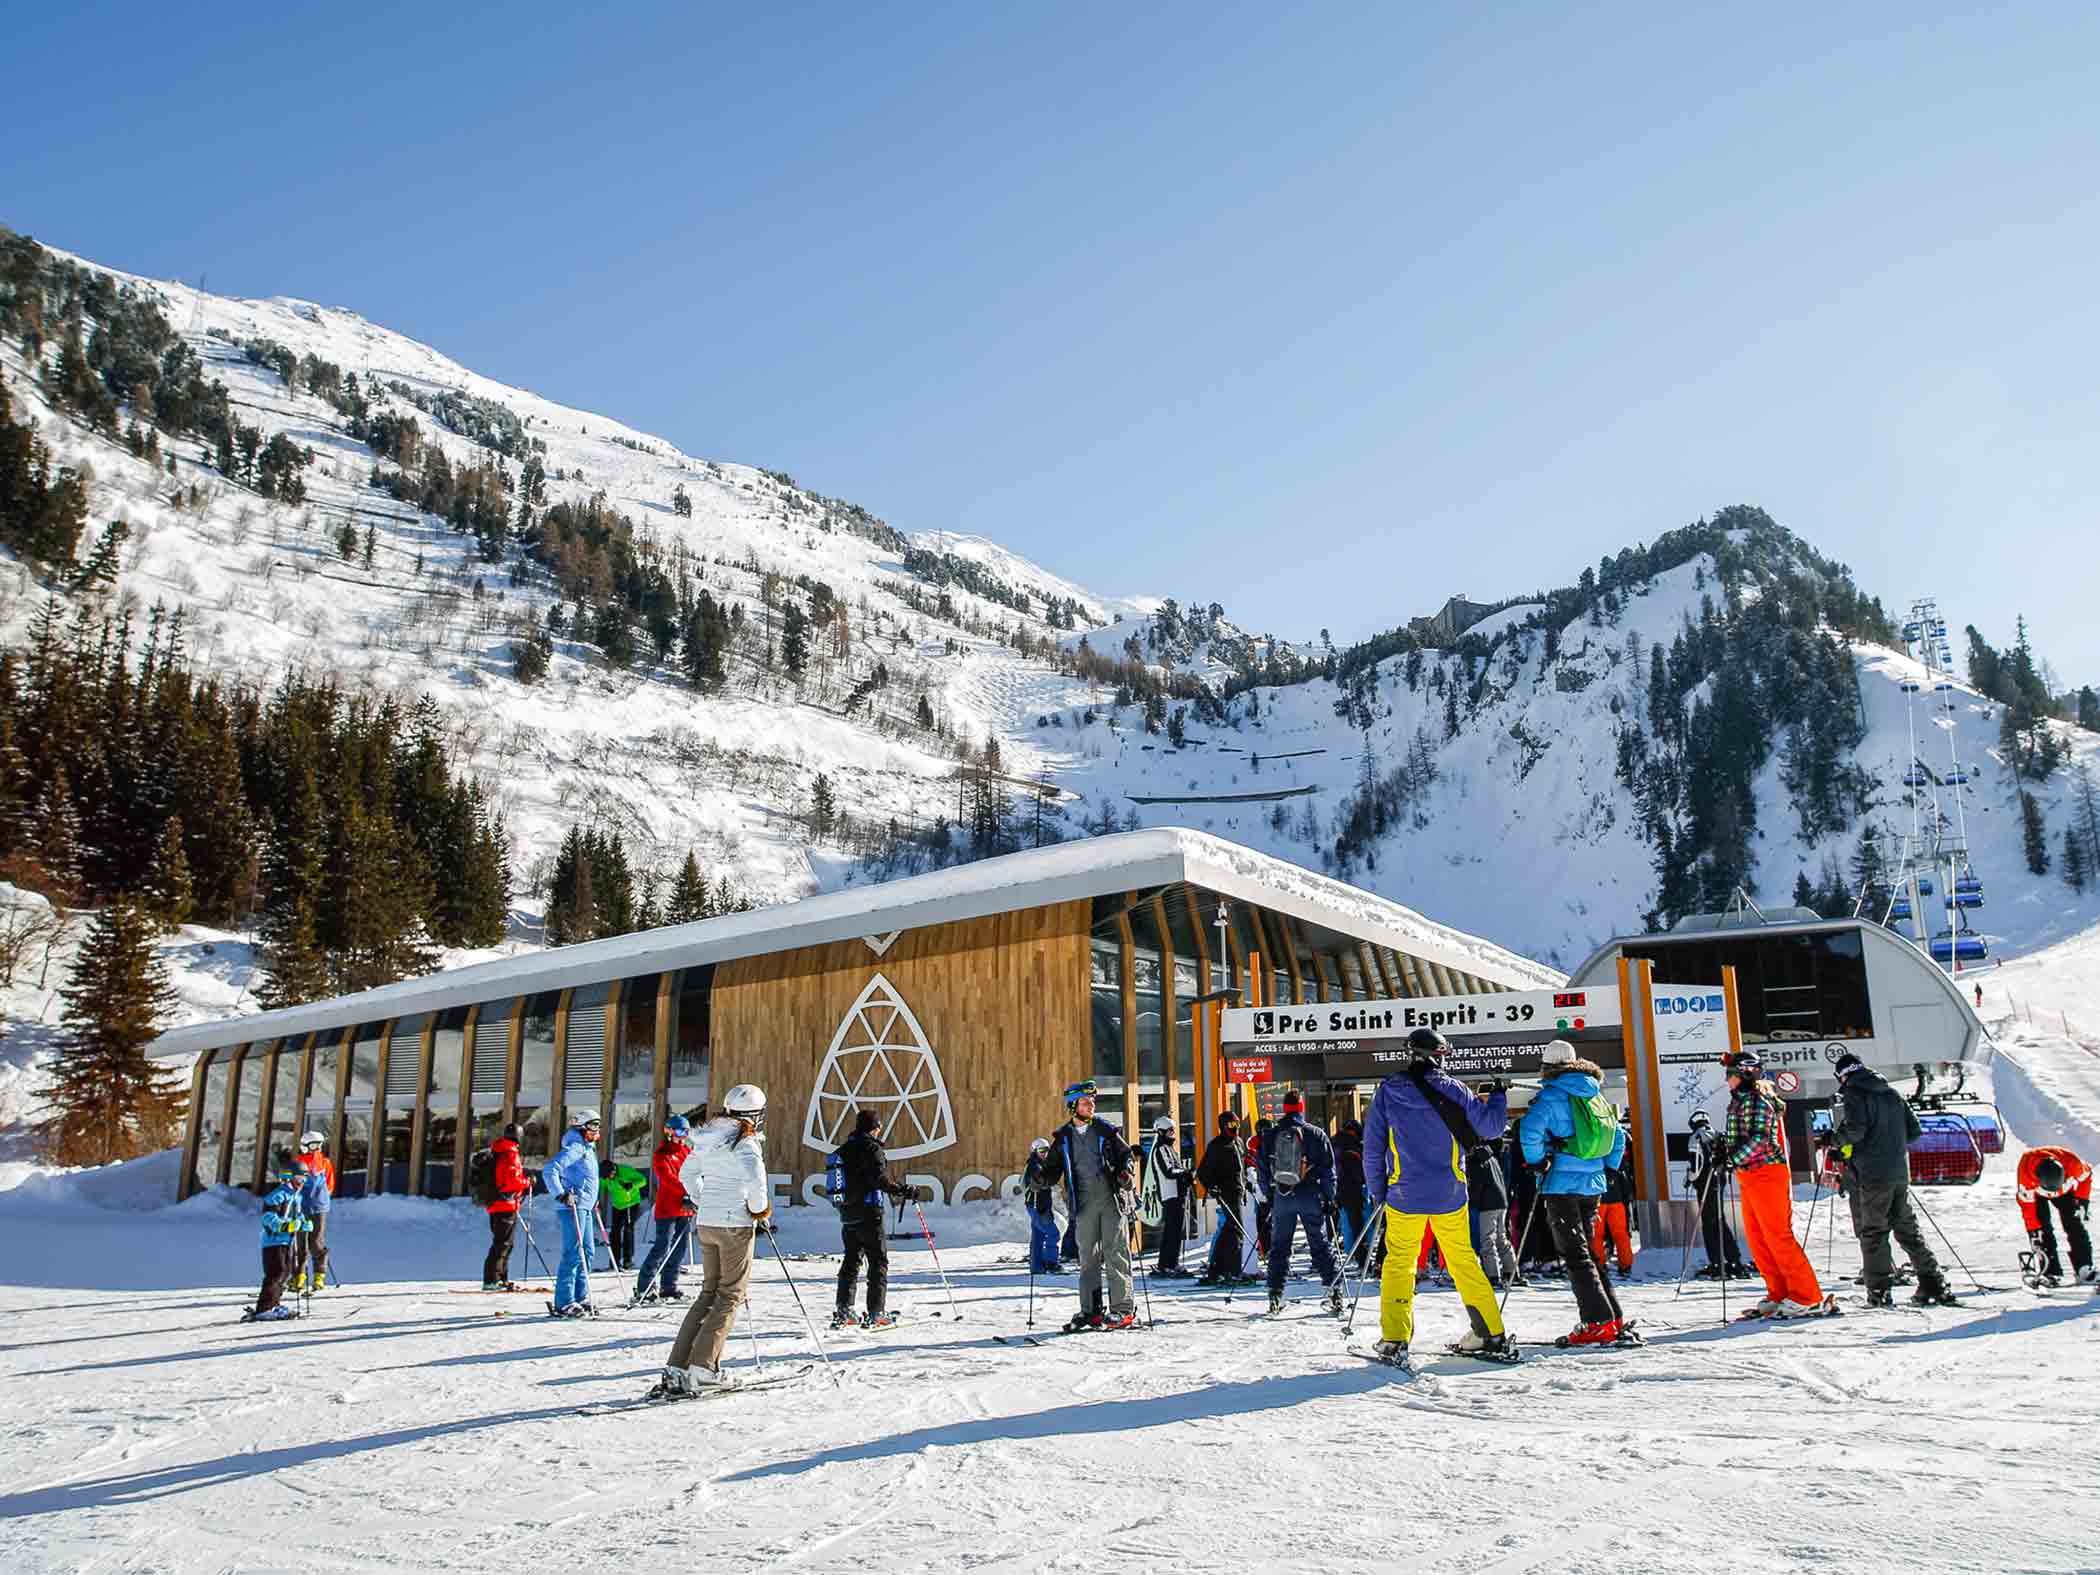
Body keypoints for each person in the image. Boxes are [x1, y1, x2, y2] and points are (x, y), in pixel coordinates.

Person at [1363, 1028, 1514, 1364]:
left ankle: (1395, 1338)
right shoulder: (1454, 1089)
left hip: (1403, 1195)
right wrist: (1499, 1095)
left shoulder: (1387, 1091)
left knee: (1399, 1263)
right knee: (1462, 1261)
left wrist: (1378, 1192)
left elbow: (1373, 1148)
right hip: (1450, 1194)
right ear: (1439, 1056)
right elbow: (1490, 1128)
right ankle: (1491, 1332)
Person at [651, 1084, 773, 1397]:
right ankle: (704, 1369)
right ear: (754, 1115)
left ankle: (678, 1366)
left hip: (707, 1222)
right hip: (734, 1225)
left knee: (709, 1292)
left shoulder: (707, 1138)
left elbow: (687, 1175)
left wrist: (704, 1200)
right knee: (730, 1295)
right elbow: (756, 1180)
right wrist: (759, 1210)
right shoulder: (745, 1142)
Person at [1519, 1041, 1634, 1346]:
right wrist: (1608, 1169)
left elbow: (1529, 1130)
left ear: (1547, 1067)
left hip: (1561, 1185)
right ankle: (1612, 1316)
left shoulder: (1551, 1095)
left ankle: (1597, 1322)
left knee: (1574, 1254)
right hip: (1593, 1185)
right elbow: (1618, 1136)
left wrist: (1536, 1161)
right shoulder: (1594, 1093)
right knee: (1588, 1252)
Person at [1828, 1052, 1956, 1307]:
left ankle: (1879, 1291)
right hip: (1898, 1172)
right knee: (1908, 1231)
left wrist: (1833, 1140)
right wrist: (1890, 1144)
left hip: (1872, 1175)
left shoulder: (1855, 1093)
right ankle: (1933, 1282)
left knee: (1873, 1232)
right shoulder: (1892, 1093)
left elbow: (1855, 1130)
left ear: (1843, 1076)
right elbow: (1915, 1131)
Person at [1721, 1050, 1828, 1318]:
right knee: (1758, 1239)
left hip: (1767, 1172)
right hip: (1749, 1173)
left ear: (1745, 1074)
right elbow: (1741, 1136)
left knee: (1778, 1236)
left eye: (1730, 1076)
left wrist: (1731, 1158)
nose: (1727, 1081)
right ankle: (1779, 1292)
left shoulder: (1759, 1101)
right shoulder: (1739, 1101)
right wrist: (1722, 1149)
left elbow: (1760, 1140)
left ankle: (1807, 1296)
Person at [1033, 1080, 1140, 1330]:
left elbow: (1126, 1156)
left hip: (1111, 1199)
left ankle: (1122, 1310)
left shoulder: (1106, 1131)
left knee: (1116, 1253)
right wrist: (1040, 1180)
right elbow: (1052, 1170)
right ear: (1073, 1107)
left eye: (1092, 1101)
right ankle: (1091, 1310)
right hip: (1083, 1204)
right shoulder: (1063, 1138)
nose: (1091, 1105)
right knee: (1088, 1258)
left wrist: (1125, 1172)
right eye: (1085, 1102)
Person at [1258, 1090, 1344, 1315]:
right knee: (1319, 1242)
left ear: (1283, 1108)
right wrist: (1330, 1197)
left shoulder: (1271, 1134)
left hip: (1282, 1196)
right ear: (1302, 1107)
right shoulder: (1316, 1134)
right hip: (1310, 1193)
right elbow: (1328, 1170)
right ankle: (1334, 1290)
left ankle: (1275, 1293)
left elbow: (1262, 1169)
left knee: (1280, 1246)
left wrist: (1269, 1195)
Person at [832, 1109, 914, 1329]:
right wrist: (902, 1190)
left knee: (851, 1260)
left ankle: (844, 1310)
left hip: (847, 1213)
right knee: (878, 1261)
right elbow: (879, 1180)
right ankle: (876, 1313)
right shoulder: (872, 1148)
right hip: (869, 1213)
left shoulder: (844, 1149)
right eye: (879, 1127)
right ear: (875, 1127)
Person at [541, 1108, 603, 1318]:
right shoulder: (576, 1146)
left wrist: (593, 1200)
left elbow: (587, 1179)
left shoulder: (587, 1147)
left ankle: (580, 1296)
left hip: (584, 1206)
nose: (597, 1130)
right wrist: (560, 1194)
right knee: (574, 1252)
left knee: (587, 1251)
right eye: (594, 1125)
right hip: (571, 1208)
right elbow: (550, 1169)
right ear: (582, 1127)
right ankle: (564, 1301)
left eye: (599, 1126)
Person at [632, 1114, 696, 1304]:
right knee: (662, 1246)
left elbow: (694, 1173)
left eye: (686, 1132)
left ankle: (669, 1286)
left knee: (680, 1248)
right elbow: (668, 1179)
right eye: (679, 1131)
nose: (682, 1136)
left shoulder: (687, 1152)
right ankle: (645, 1287)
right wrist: (687, 1190)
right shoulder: (662, 1154)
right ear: (668, 1132)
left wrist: (693, 1193)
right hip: (668, 1207)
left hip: (685, 1207)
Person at [244, 1148, 309, 1322]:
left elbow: (297, 1214)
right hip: (273, 1242)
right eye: (299, 1179)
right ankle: (264, 1308)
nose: (301, 1183)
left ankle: (274, 1304)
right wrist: (288, 1225)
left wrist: (303, 1223)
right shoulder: (277, 1196)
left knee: (285, 1272)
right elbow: (269, 1218)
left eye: (304, 1179)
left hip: (286, 1242)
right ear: (288, 1178)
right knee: (276, 1272)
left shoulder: (296, 1197)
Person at [2016, 1146, 2094, 1286]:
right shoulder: (2025, 1175)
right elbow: (2028, 1208)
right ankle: (2050, 1272)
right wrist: (2033, 1231)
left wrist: (2082, 1200)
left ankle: (2084, 1268)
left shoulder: (2072, 1162)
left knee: (2075, 1224)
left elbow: (2086, 1177)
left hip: (2066, 1192)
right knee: (2042, 1231)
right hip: (2038, 1196)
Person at [1685, 1111, 1749, 1279]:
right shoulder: (1718, 1135)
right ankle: (1734, 1261)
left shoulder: (1696, 1137)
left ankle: (1717, 1264)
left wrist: (1690, 1178)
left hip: (1705, 1183)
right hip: (1719, 1181)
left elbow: (1696, 1164)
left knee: (1709, 1224)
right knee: (1720, 1221)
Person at [1196, 1109, 1255, 1284]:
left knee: (1230, 1230)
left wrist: (1246, 1182)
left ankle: (1218, 1269)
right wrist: (1211, 1187)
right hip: (1226, 1192)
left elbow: (1241, 1166)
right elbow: (1203, 1171)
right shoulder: (1217, 1145)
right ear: (1222, 1126)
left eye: (1237, 1124)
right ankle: (1232, 1270)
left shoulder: (1238, 1143)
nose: (1235, 1128)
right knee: (1236, 1231)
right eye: (1231, 1125)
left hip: (1238, 1191)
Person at [484, 1121, 533, 1290]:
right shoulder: (510, 1154)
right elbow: (511, 1182)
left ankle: (501, 1278)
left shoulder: (498, 1150)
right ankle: (492, 1280)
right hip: (505, 1203)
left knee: (504, 1243)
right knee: (503, 1243)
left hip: (497, 1203)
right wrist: (528, 1182)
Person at [1467, 1133, 1517, 1289]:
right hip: (1501, 1202)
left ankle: (1493, 1274)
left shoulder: (1477, 1161)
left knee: (1487, 1240)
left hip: (1488, 1204)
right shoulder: (1491, 1157)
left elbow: (1477, 1186)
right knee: (1501, 1238)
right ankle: (1511, 1271)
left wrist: (1471, 1202)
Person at [1146, 1115, 1192, 1276]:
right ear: (1160, 1132)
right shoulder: (1160, 1149)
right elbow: (1168, 1171)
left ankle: (1172, 1262)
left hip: (1178, 1194)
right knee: (1171, 1231)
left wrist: (1186, 1175)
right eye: (1169, 1132)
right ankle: (1166, 1264)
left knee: (1176, 1231)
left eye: (1173, 1131)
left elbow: (1176, 1169)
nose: (1172, 1135)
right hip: (1170, 1194)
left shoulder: (1170, 1149)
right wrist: (1184, 1173)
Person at [290, 1131, 334, 1292]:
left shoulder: (325, 1162)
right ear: (304, 1146)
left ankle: (319, 1275)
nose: (317, 1149)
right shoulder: (298, 1163)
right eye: (314, 1145)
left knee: (316, 1242)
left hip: (318, 1207)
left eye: (320, 1145)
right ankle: (299, 1276)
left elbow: (330, 1184)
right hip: (300, 1207)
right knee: (300, 1244)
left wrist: (320, 1198)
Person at [1590, 1137, 1636, 1277]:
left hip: (1598, 1199)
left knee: (1597, 1235)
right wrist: (1627, 1197)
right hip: (1617, 1199)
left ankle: (1600, 1264)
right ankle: (1626, 1264)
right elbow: (1624, 1178)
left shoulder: (1594, 1155)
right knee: (1621, 1233)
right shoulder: (1617, 1157)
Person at [600, 1155, 648, 1271]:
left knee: (628, 1230)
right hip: (617, 1205)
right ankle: (614, 1260)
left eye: (610, 1176)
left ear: (614, 1170)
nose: (609, 1179)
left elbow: (643, 1180)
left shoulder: (626, 1171)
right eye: (607, 1177)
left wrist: (632, 1185)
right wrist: (598, 1200)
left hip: (630, 1203)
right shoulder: (606, 1177)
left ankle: (628, 1261)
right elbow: (601, 1186)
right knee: (615, 1232)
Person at [1334, 1118, 1370, 1270]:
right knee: (1358, 1225)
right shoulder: (1352, 1147)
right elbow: (1358, 1173)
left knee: (1346, 1224)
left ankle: (1352, 1253)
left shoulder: (1333, 1142)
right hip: (1352, 1190)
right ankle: (1362, 1260)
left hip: (1337, 1188)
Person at [1023, 1137, 1062, 1274]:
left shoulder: (1037, 1164)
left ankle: (1036, 1266)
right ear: (1034, 1151)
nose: (1044, 1153)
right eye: (1041, 1150)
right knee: (1053, 1234)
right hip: (1038, 1206)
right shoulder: (1035, 1166)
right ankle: (1051, 1263)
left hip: (1036, 1205)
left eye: (1047, 1150)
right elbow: (1036, 1181)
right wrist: (1038, 1182)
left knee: (1038, 1235)